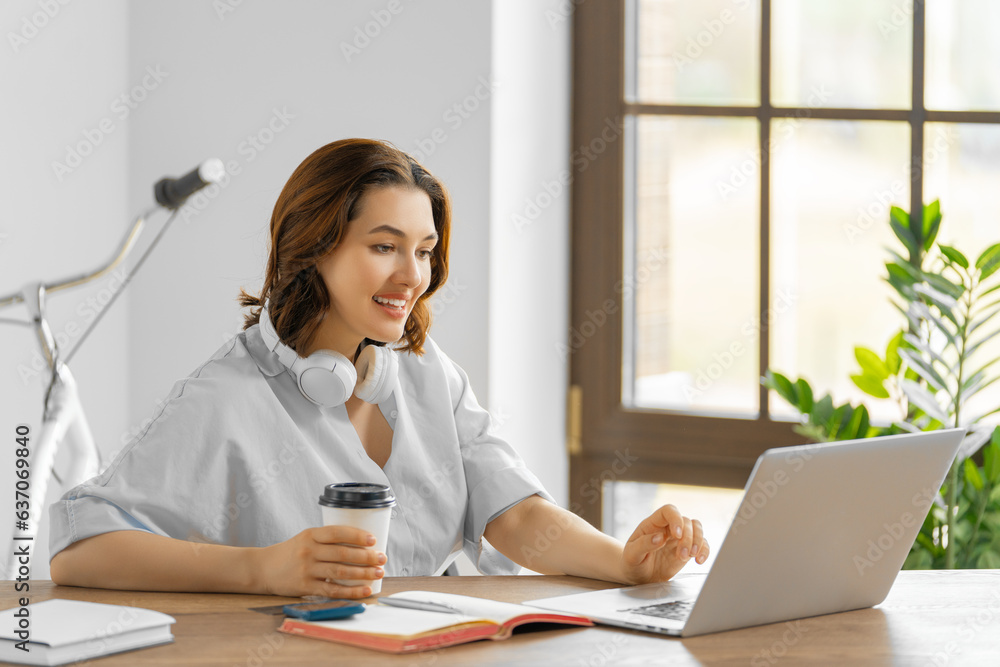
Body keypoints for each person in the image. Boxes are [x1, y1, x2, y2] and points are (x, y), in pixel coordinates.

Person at [49, 138, 709, 597]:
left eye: (423, 250)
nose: (412, 275)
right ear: (314, 245)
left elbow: (515, 514)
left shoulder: (426, 373)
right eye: (384, 246)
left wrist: (624, 561)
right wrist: (264, 569)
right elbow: (81, 550)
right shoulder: (226, 396)